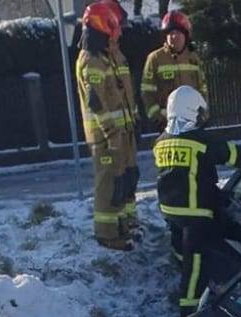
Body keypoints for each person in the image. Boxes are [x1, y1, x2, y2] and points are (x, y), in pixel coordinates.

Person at [154, 86, 241, 317]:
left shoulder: (160, 142)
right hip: (196, 215)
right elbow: (234, 155)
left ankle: (207, 277)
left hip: (171, 212)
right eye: (199, 113)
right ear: (190, 112)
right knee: (195, 267)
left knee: (185, 251)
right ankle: (188, 315)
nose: (201, 118)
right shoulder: (200, 141)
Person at [76, 1, 134, 251]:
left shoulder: (104, 57)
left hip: (117, 135)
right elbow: (97, 103)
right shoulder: (92, 61)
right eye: (115, 28)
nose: (118, 34)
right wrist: (112, 134)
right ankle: (107, 235)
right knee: (108, 184)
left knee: (120, 182)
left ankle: (121, 228)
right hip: (105, 138)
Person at [102, 0, 140, 229]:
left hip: (127, 130)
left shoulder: (119, 56)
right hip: (113, 134)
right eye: (118, 28)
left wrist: (134, 120)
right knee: (117, 182)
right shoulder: (100, 59)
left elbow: (127, 94)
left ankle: (130, 220)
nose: (121, 33)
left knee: (131, 177)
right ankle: (119, 225)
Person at [141, 11, 207, 131]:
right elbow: (147, 92)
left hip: (192, 122)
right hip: (166, 124)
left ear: (186, 35)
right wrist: (158, 116)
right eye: (170, 33)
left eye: (178, 33)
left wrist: (203, 114)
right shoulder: (155, 59)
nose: (173, 37)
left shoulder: (193, 58)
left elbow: (202, 89)